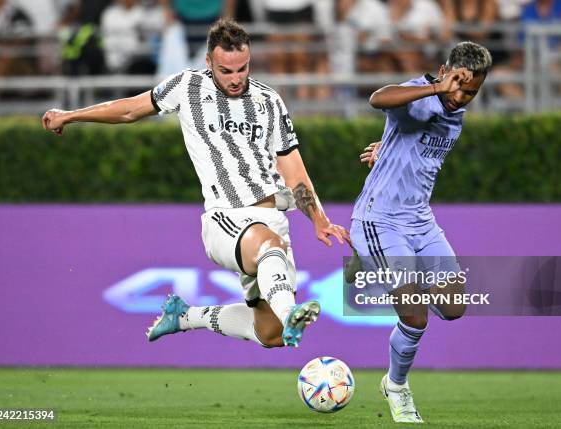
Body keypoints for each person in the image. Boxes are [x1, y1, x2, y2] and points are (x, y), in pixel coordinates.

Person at [42, 18, 349, 348]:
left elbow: (294, 173)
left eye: (241, 69)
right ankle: (291, 312)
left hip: (274, 218)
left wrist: (319, 218)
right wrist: (72, 114)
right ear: (208, 62)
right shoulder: (187, 87)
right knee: (268, 247)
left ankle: (186, 317)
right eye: (225, 71)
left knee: (270, 334)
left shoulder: (269, 102)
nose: (235, 79)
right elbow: (130, 110)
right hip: (226, 219)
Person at [348, 41, 492, 423]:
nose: (461, 97)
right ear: (445, 70)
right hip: (380, 220)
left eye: (471, 92)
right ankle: (397, 386)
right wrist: (436, 88)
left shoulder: (454, 114)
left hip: (421, 222)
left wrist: (387, 150)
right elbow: (379, 99)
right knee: (415, 316)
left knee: (454, 307)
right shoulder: (425, 94)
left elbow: (413, 148)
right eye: (458, 86)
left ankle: (377, 266)